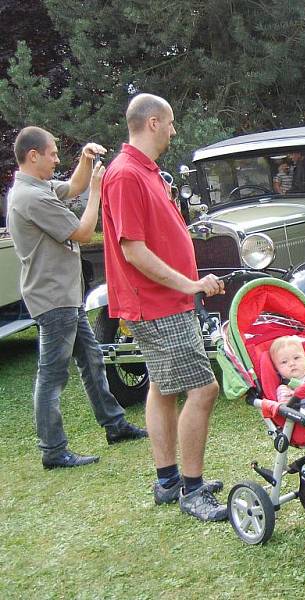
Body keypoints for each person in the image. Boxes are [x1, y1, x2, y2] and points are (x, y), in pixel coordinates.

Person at [101, 94, 227, 522]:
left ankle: (168, 480)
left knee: (161, 386)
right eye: (170, 123)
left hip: (166, 301)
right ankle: (192, 489)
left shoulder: (147, 172)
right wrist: (190, 283)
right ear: (153, 123)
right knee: (205, 389)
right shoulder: (125, 175)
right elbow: (133, 250)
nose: (174, 131)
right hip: (156, 305)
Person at [6, 126, 147, 470]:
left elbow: (74, 186)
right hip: (52, 298)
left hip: (65, 296)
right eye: (53, 154)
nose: (57, 159)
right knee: (52, 376)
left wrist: (86, 159)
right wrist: (98, 192)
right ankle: (53, 451)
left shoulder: (38, 186)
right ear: (33, 156)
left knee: (92, 358)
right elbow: (83, 233)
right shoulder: (31, 198)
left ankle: (114, 425)